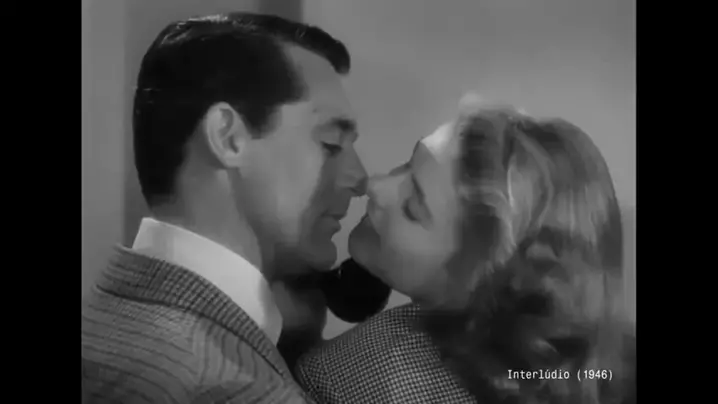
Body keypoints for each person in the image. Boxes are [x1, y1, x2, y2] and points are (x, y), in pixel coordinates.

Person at [81, 12, 368, 404]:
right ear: (228, 137)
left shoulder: (104, 317)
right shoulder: (236, 389)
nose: (360, 178)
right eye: (331, 143)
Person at [295, 96, 636, 403]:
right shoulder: (603, 368)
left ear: (483, 283)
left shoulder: (360, 379)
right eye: (406, 166)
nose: (374, 186)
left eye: (413, 208)